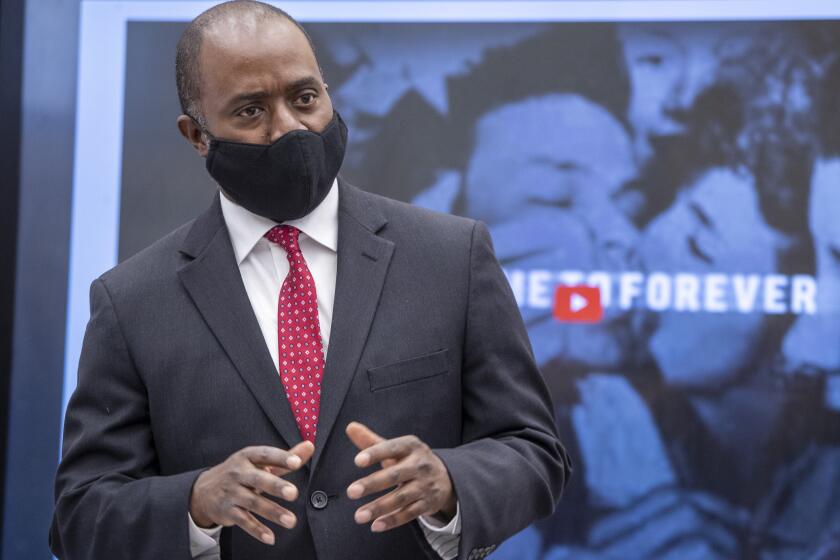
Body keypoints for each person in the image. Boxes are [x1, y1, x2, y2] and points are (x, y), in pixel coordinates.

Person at [49, 2, 570, 559]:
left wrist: (449, 481)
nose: (290, 129)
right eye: (250, 111)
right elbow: (81, 515)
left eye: (304, 98)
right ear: (196, 136)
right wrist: (195, 502)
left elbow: (533, 451)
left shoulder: (452, 256)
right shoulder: (131, 302)